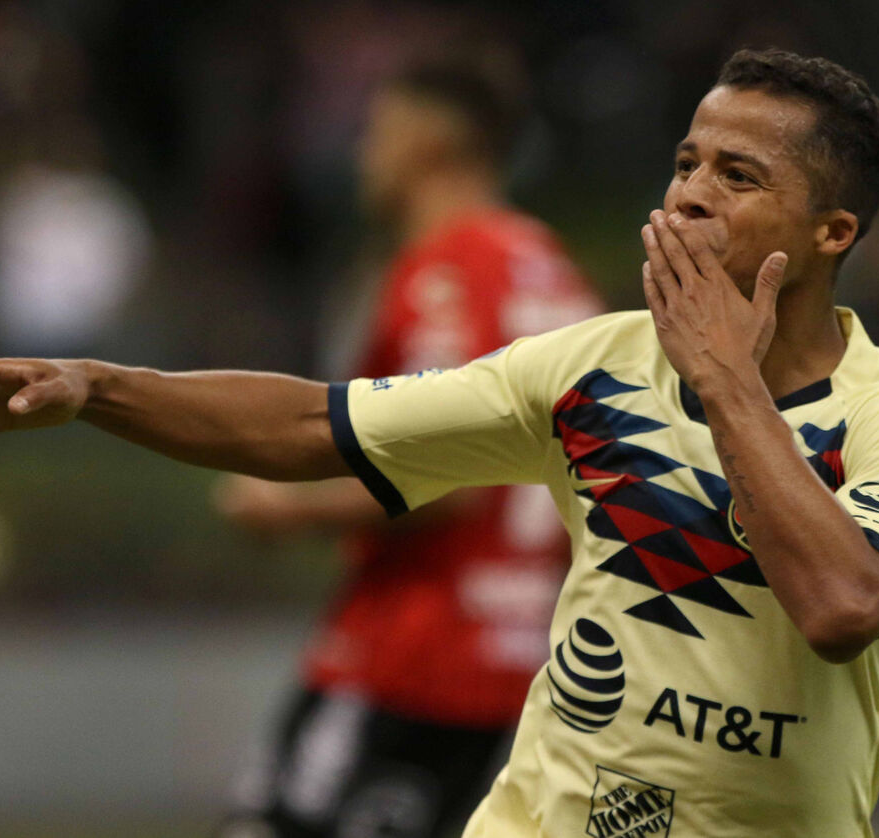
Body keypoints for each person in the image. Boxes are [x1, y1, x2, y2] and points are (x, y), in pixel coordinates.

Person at [0, 49, 879, 837]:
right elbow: (311, 422)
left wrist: (724, 380)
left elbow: (841, 609)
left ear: (833, 231)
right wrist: (98, 387)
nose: (690, 192)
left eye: (738, 176)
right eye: (685, 162)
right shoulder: (586, 365)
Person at [209, 58, 602, 838]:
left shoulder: (445, 272)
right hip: (516, 654)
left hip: (408, 645)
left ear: (428, 142)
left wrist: (286, 507)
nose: (364, 156)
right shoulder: (556, 276)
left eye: (376, 133)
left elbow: (448, 476)